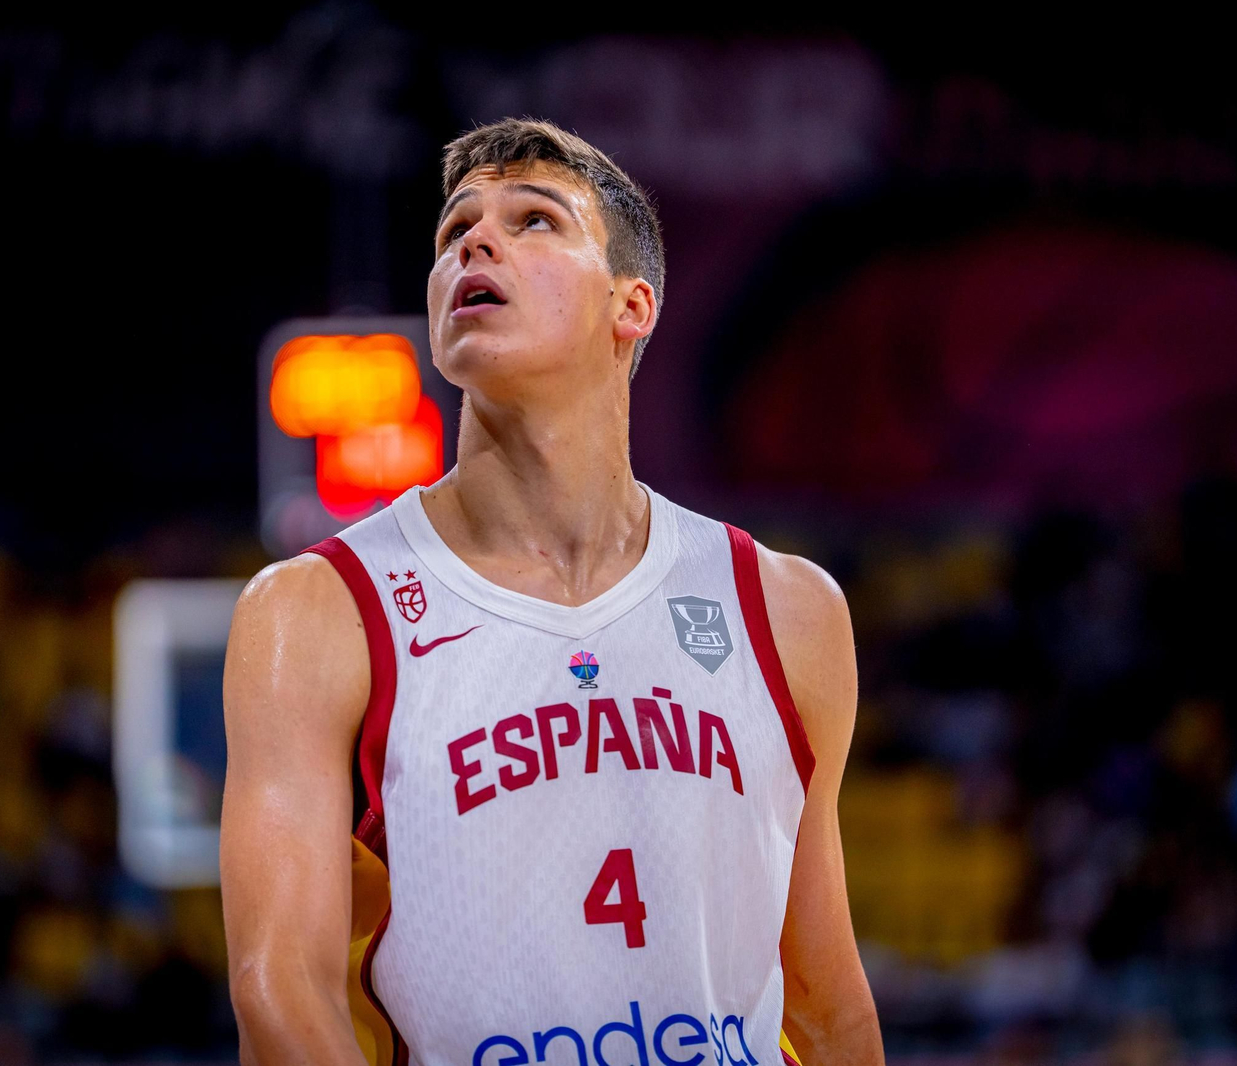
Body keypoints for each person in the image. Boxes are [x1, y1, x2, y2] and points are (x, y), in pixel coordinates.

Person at [221, 117, 882, 1066]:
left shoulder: (785, 609)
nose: (476, 243)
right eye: (455, 232)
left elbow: (828, 1006)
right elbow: (280, 992)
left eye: (534, 221)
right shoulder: (317, 612)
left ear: (633, 305)